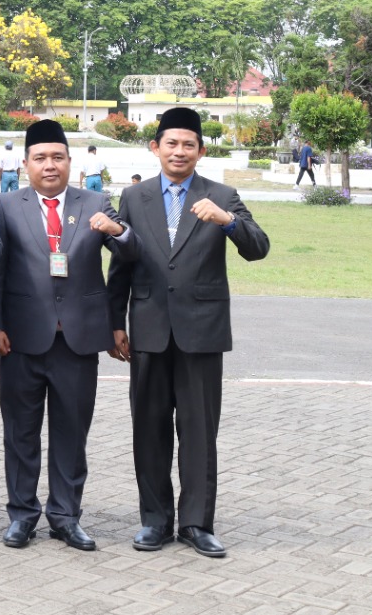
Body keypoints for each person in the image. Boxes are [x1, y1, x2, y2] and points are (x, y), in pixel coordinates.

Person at [106, 106, 270, 559]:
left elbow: (258, 248)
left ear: (201, 150)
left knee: (199, 431)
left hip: (201, 333)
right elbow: (122, 263)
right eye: (171, 144)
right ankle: (154, 521)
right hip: (149, 331)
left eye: (189, 145)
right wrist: (113, 323)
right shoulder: (134, 198)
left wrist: (228, 221)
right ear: (155, 147)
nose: (180, 152)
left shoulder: (222, 194)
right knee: (149, 428)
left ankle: (197, 523)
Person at [0, 120, 138, 551]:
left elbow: (130, 255)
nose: (49, 166)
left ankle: (65, 515)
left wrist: (119, 231)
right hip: (20, 339)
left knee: (72, 433)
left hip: (78, 339)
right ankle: (22, 515)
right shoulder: (5, 205)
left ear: (71, 162)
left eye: (57, 157)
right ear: (25, 164)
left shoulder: (96, 200)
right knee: (20, 433)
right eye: (40, 158)